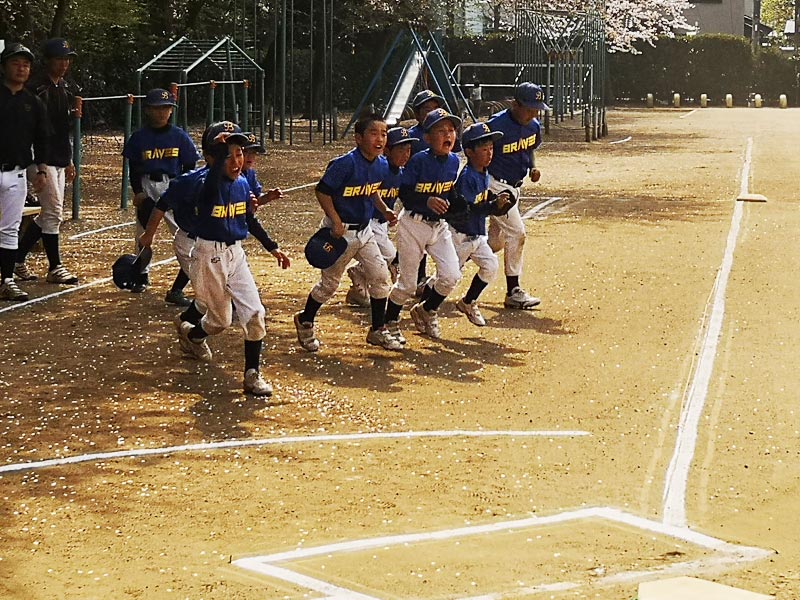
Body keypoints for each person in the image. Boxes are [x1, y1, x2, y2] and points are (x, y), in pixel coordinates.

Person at [141, 121, 273, 396]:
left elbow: (247, 216)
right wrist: (148, 238)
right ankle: (192, 334)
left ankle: (252, 374)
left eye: (240, 153)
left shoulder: (243, 181)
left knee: (255, 314)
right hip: (205, 252)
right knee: (220, 321)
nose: (238, 160)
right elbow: (164, 204)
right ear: (211, 158)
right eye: (229, 154)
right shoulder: (198, 183)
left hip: (236, 252)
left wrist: (272, 247)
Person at [294, 114, 402, 353]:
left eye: (384, 134)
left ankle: (377, 330)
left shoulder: (382, 164)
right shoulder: (345, 164)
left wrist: (384, 210)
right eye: (374, 133)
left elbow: (372, 191)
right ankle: (305, 320)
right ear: (358, 138)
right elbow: (322, 192)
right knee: (329, 286)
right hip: (339, 234)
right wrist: (335, 220)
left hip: (365, 232)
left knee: (381, 278)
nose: (380, 139)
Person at [383, 108, 463, 342]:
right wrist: (427, 200)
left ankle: (426, 310)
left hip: (438, 228)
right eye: (440, 130)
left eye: (451, 130)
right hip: (413, 225)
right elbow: (405, 193)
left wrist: (458, 206)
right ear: (427, 137)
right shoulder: (418, 161)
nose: (448, 135)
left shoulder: (454, 161)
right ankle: (389, 323)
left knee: (451, 275)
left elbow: (450, 192)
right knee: (408, 284)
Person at [121, 88, 200, 302]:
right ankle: (141, 275)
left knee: (186, 235)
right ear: (147, 110)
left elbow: (190, 164)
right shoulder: (139, 137)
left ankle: (181, 285)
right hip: (148, 185)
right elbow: (134, 166)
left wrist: (185, 190)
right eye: (157, 108)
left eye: (166, 108)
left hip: (173, 185)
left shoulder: (179, 136)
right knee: (143, 234)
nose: (162, 112)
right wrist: (137, 191)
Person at [14, 38, 80, 286]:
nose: (63, 64)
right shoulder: (35, 89)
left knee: (49, 214)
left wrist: (69, 159)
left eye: (66, 59)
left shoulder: (63, 87)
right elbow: (31, 129)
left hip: (59, 157)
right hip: (40, 158)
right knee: (53, 212)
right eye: (59, 59)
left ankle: (18, 258)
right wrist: (38, 164)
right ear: (48, 61)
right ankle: (55, 266)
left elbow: (64, 130)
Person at [486, 82, 547, 310]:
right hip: (495, 185)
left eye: (537, 109)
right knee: (518, 233)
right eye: (529, 108)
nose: (533, 113)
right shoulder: (496, 126)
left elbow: (529, 147)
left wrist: (532, 167)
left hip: (514, 188)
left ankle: (439, 278)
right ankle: (513, 290)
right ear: (514, 104)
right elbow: (478, 154)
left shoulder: (533, 126)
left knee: (494, 243)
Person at [445, 122, 512, 327]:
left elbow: (483, 202)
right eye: (483, 149)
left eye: (491, 148)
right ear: (469, 152)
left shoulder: (483, 173)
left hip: (476, 235)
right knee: (448, 277)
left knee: (490, 266)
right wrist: (493, 205)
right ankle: (426, 306)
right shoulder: (467, 177)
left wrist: (499, 202)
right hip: (461, 234)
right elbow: (469, 210)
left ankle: (468, 302)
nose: (489, 153)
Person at [345, 126, 417, 308]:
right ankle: (359, 273)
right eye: (400, 149)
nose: (405, 154)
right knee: (390, 256)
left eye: (408, 150)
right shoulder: (380, 169)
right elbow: (369, 191)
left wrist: (391, 214)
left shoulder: (400, 173)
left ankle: (358, 280)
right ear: (386, 150)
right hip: (369, 221)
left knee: (384, 258)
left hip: (382, 223)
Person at [0, 43, 49, 302]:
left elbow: (41, 140)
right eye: (15, 63)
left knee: (10, 228)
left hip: (17, 173)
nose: (21, 68)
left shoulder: (33, 102)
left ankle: (7, 280)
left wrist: (40, 169)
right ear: (4, 66)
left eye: (26, 64)